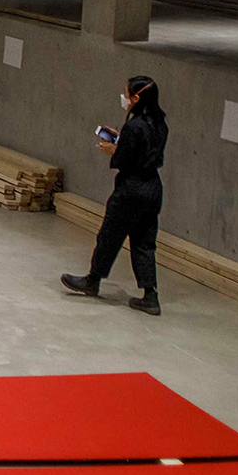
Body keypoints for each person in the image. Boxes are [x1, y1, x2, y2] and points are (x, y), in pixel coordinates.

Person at [63, 75, 168, 316]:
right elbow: (144, 152)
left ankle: (93, 280)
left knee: (110, 235)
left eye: (127, 94)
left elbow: (123, 160)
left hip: (131, 189)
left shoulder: (134, 126)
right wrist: (124, 143)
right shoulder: (161, 124)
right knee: (144, 242)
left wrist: (114, 149)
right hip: (152, 188)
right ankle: (150, 295)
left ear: (137, 98)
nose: (124, 99)